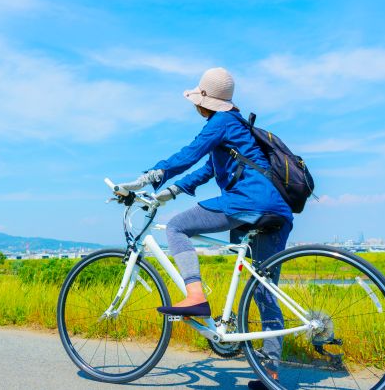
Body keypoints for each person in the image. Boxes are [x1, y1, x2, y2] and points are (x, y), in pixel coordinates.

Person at [118, 67, 292, 390]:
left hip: (248, 203)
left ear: (205, 102)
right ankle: (271, 372)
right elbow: (205, 171)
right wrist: (166, 193)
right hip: (276, 209)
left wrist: (149, 177)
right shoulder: (236, 128)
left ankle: (195, 296)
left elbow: (189, 154)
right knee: (263, 289)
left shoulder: (220, 124)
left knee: (178, 227)